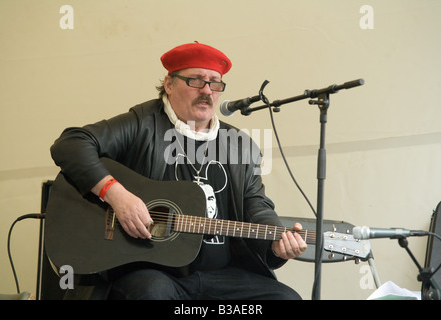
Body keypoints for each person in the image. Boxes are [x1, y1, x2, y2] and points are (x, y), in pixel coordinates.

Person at [50, 41, 307, 300]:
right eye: (195, 80)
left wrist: (275, 243)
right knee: (152, 293)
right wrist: (117, 195)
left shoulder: (240, 145)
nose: (207, 91)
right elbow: (71, 144)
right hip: (154, 271)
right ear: (169, 84)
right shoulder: (144, 123)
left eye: (215, 83)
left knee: (285, 299)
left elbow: (257, 205)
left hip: (223, 274)